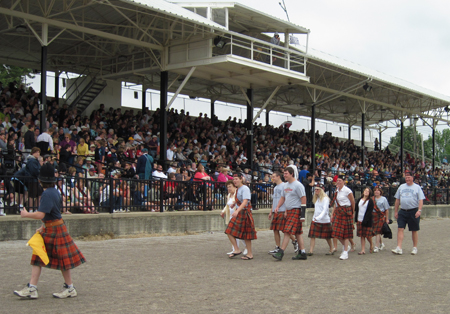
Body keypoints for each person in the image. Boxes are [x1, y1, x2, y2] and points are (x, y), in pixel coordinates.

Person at [13, 163, 86, 299]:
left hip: (54, 229)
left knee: (44, 258)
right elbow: (52, 213)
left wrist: (26, 214)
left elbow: (41, 214)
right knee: (44, 258)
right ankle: (61, 288)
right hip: (54, 227)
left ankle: (36, 288)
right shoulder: (55, 192)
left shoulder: (46, 194)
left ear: (40, 180)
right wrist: (43, 226)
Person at [271, 167, 307, 261]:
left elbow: (303, 198)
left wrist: (302, 214)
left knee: (287, 231)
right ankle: (302, 252)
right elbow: (283, 197)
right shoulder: (285, 185)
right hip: (290, 210)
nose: (284, 175)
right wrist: (278, 206)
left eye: (286, 173)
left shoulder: (298, 185)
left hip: (296, 210)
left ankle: (281, 252)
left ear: (291, 174)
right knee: (298, 233)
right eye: (284, 173)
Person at [224, 172, 256, 260]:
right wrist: (234, 204)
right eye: (234, 179)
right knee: (229, 230)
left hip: (245, 213)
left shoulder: (245, 188)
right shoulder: (238, 189)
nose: (235, 181)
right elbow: (240, 200)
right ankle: (237, 249)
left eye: (236, 179)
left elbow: (245, 201)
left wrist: (237, 210)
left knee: (246, 235)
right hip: (240, 213)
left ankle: (249, 254)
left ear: (241, 179)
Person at [392, 170, 425, 255]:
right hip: (403, 210)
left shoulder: (417, 187)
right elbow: (397, 199)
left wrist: (419, 210)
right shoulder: (401, 187)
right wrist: (396, 211)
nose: (407, 179)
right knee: (400, 228)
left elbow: (420, 200)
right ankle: (399, 247)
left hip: (413, 210)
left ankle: (414, 247)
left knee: (414, 229)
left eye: (408, 177)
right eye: (406, 177)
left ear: (412, 178)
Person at [268, 171, 298, 255]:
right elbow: (274, 201)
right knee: (275, 229)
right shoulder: (275, 188)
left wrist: (286, 211)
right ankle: (277, 247)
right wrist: (271, 211)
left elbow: (286, 199)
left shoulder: (284, 186)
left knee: (284, 229)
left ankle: (295, 241)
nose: (272, 178)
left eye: (274, 176)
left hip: (282, 210)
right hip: (276, 211)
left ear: (278, 177)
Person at [331, 175, 356, 260]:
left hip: (346, 211)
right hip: (339, 211)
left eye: (340, 180)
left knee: (346, 233)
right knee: (335, 232)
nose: (338, 182)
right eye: (337, 180)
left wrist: (352, 213)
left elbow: (353, 202)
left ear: (344, 181)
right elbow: (336, 203)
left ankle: (345, 252)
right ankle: (346, 246)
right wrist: (332, 214)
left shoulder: (347, 191)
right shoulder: (337, 190)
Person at [220, 180, 247, 255]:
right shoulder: (229, 195)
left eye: (230, 186)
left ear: (234, 186)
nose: (229, 188)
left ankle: (246, 247)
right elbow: (227, 205)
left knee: (238, 233)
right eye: (227, 187)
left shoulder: (237, 194)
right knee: (232, 233)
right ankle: (235, 249)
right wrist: (223, 211)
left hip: (238, 216)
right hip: (231, 217)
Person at [308, 182, 334, 255]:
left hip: (324, 220)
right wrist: (314, 218)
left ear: (321, 190)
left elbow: (325, 210)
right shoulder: (316, 199)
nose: (316, 191)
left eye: (317, 189)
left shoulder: (325, 199)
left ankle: (331, 249)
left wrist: (318, 218)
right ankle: (311, 251)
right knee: (312, 235)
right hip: (315, 219)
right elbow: (316, 210)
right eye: (315, 189)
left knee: (327, 236)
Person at [355, 187, 374, 255]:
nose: (366, 192)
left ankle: (371, 244)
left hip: (366, 220)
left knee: (368, 235)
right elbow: (356, 209)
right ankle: (363, 249)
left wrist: (365, 220)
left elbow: (369, 212)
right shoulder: (359, 200)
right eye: (365, 191)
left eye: (367, 191)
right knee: (362, 235)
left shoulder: (370, 201)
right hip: (359, 219)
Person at [372, 187, 390, 253]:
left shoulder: (384, 199)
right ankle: (381, 244)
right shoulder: (372, 199)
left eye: (378, 191)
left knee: (378, 231)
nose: (376, 192)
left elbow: (386, 209)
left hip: (381, 216)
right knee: (376, 231)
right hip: (373, 216)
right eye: (375, 190)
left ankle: (376, 247)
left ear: (380, 192)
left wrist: (387, 218)